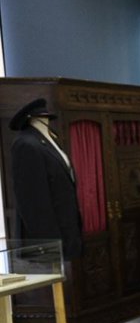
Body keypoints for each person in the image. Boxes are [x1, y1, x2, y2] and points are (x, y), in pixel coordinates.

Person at [8, 97, 84, 260]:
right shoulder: (26, 145)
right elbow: (33, 203)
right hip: (47, 240)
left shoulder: (51, 141)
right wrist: (50, 249)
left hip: (65, 231)